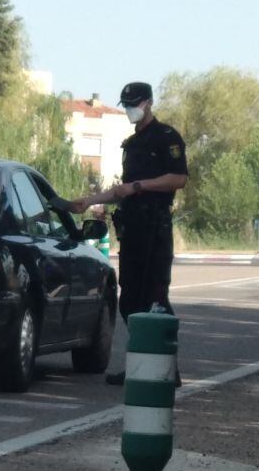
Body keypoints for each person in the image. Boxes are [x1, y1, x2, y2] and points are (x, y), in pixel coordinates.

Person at [70, 81, 188, 385]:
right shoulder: (131, 144)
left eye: (134, 104)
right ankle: (141, 364)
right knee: (130, 301)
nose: (130, 110)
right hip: (133, 230)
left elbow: (178, 178)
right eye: (125, 105)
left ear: (148, 103)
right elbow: (121, 191)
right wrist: (90, 201)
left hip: (155, 228)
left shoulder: (166, 137)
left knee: (156, 300)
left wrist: (139, 186)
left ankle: (166, 369)